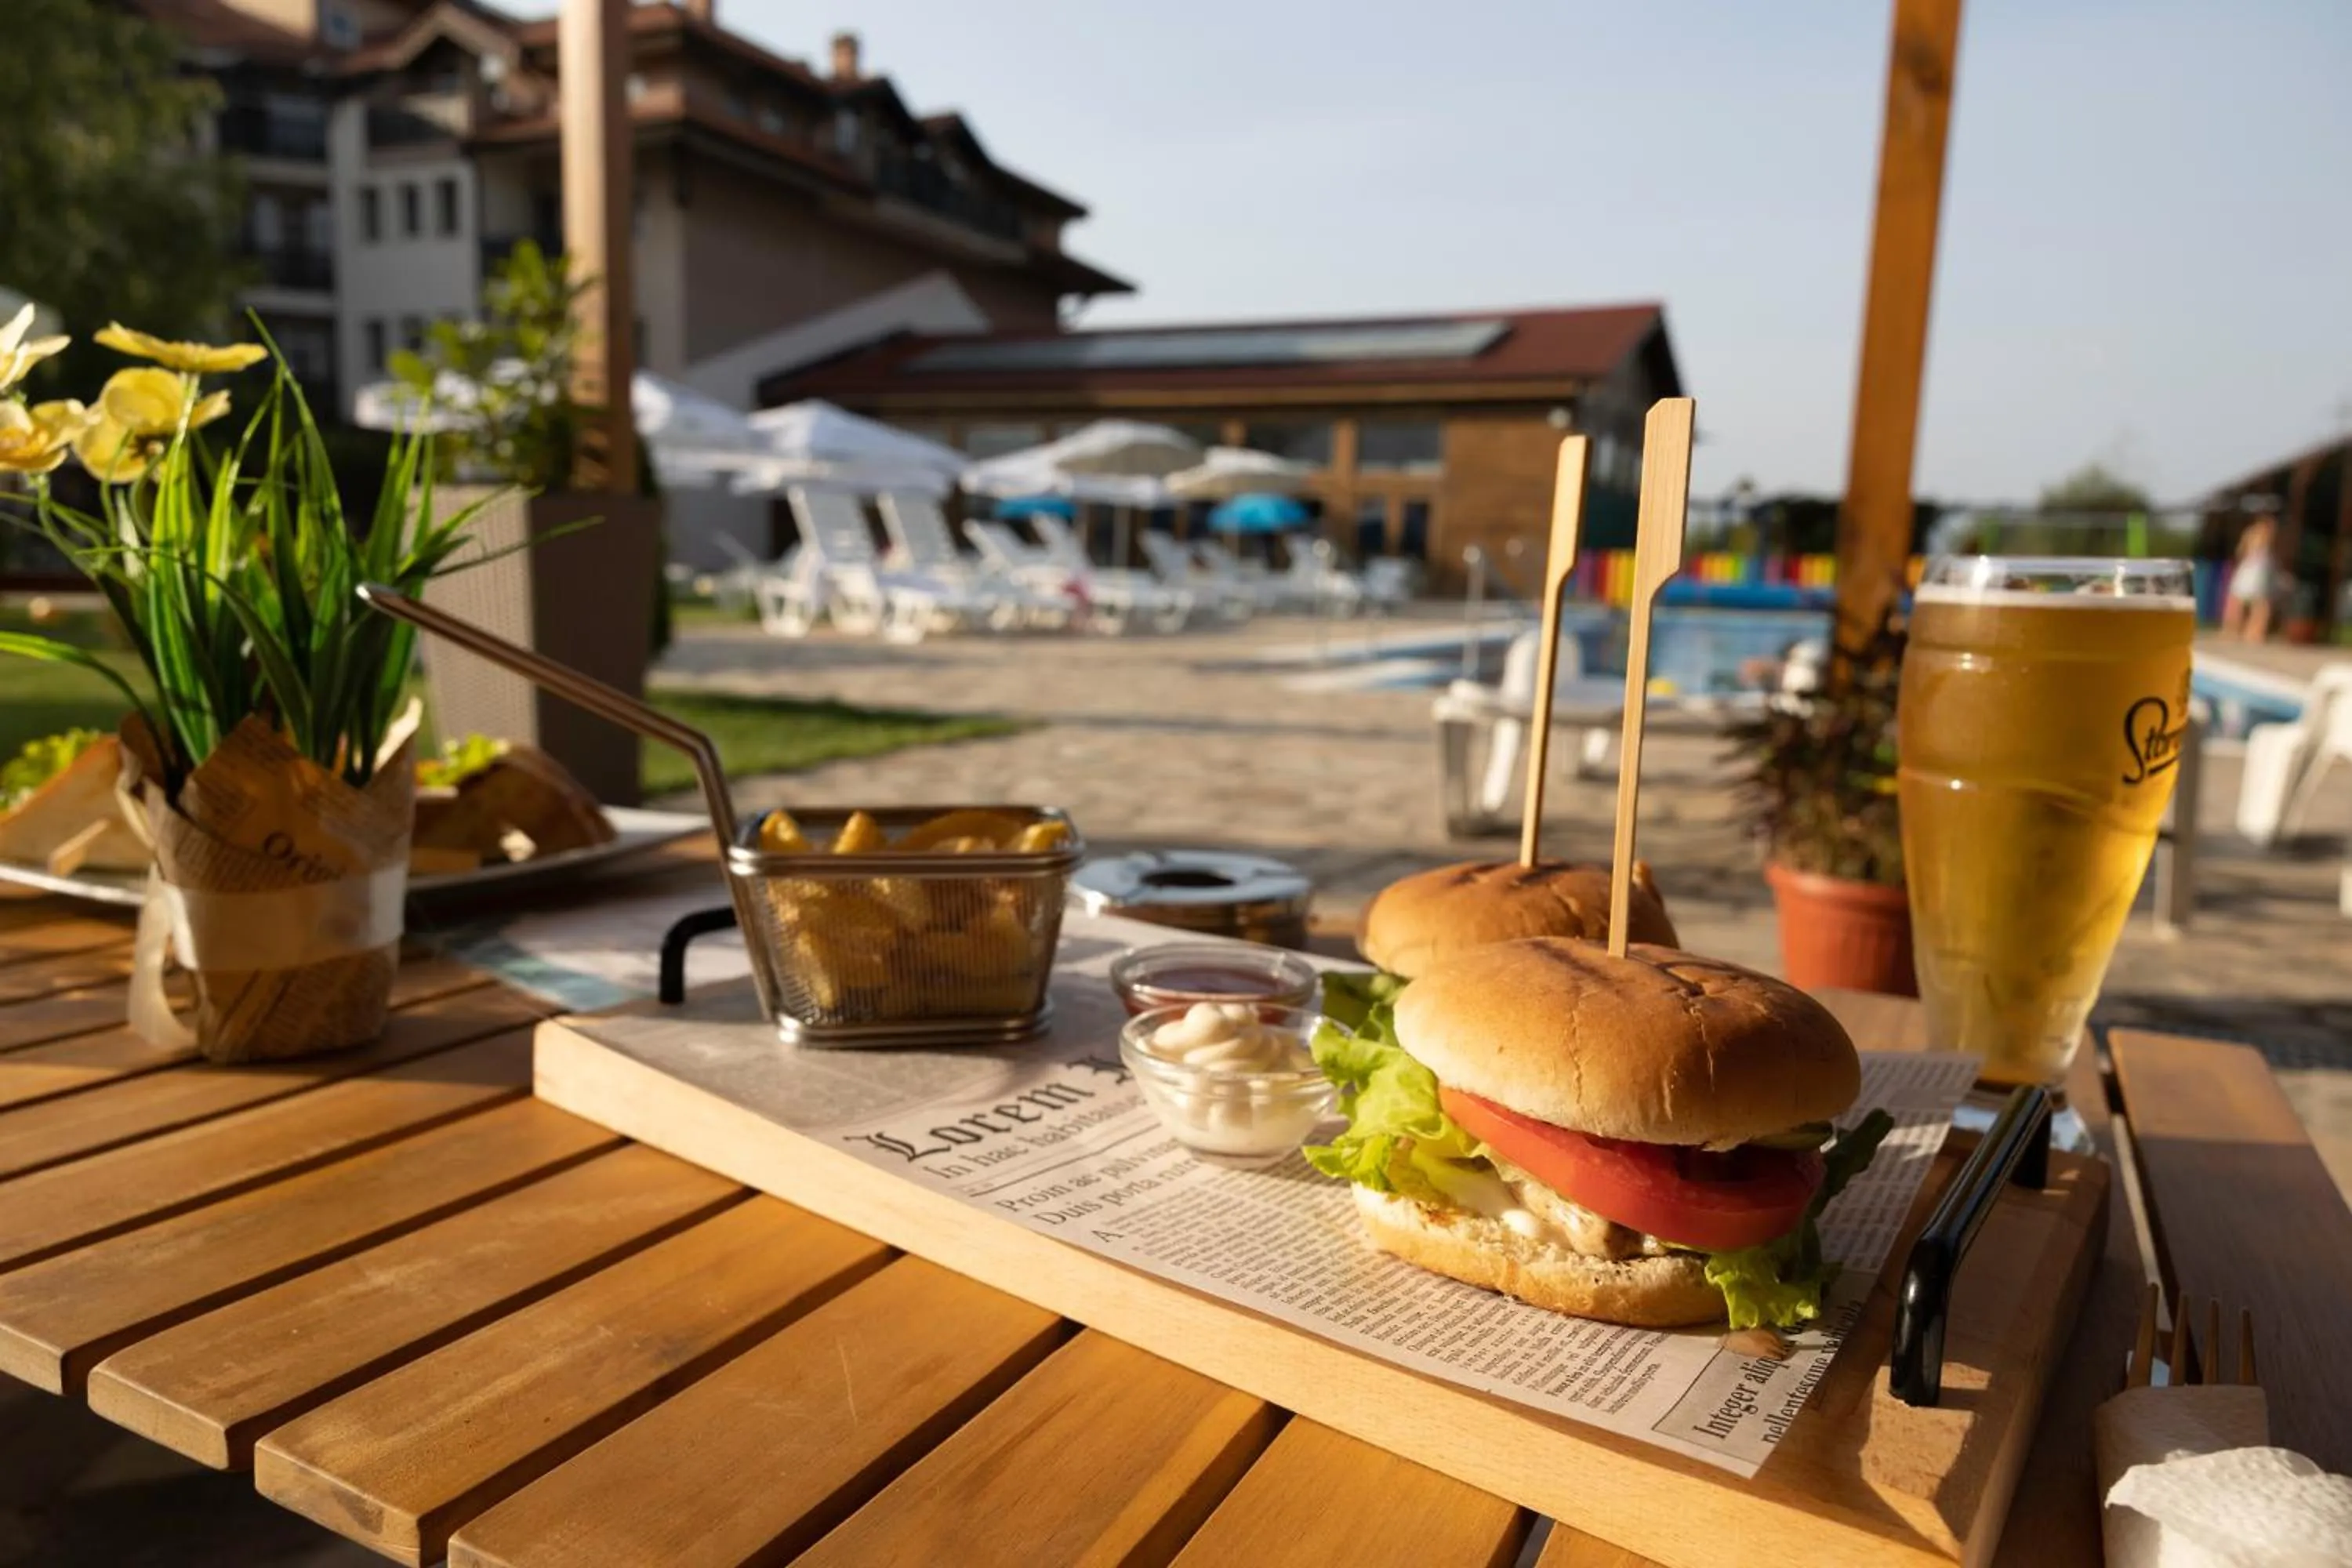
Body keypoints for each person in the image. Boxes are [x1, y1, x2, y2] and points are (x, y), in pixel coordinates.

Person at [2223, 516, 2281, 642]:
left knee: (2243, 601)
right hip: (2258, 569)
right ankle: (2252, 632)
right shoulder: (2261, 535)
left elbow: (2240, 551)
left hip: (2251, 568)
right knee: (2260, 603)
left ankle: (2237, 630)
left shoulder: (2250, 534)